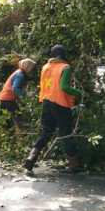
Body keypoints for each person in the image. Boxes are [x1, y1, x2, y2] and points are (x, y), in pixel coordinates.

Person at [23, 45, 82, 173]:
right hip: (60, 103)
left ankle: (32, 156)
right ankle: (73, 164)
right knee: (66, 134)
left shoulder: (45, 67)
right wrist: (80, 93)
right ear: (62, 56)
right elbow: (64, 87)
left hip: (46, 102)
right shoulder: (65, 68)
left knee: (46, 133)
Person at [0, 58, 37, 128]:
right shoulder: (20, 75)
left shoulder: (18, 72)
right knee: (18, 119)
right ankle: (20, 136)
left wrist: (18, 98)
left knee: (5, 120)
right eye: (31, 68)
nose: (32, 70)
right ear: (27, 67)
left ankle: (3, 136)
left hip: (5, 98)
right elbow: (15, 88)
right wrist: (27, 94)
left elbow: (12, 86)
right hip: (8, 99)